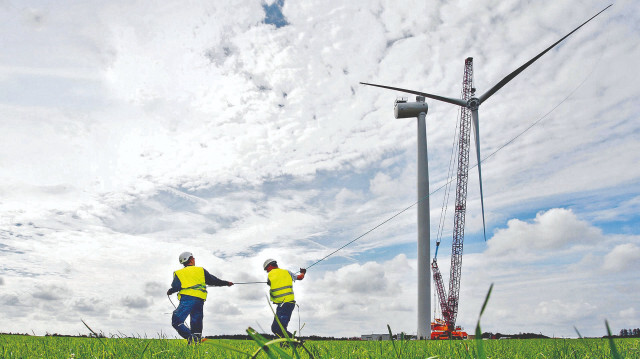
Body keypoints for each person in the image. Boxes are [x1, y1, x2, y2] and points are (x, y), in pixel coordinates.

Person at [167, 251, 233, 344]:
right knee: (196, 323)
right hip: (199, 300)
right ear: (190, 260)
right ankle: (196, 344)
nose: (194, 259)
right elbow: (214, 281)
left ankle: (191, 338)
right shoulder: (201, 270)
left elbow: (176, 286)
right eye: (193, 258)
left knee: (176, 320)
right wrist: (226, 283)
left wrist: (170, 291)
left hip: (187, 299)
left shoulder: (179, 273)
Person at [263, 258, 306, 338]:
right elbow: (300, 277)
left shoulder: (270, 275)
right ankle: (286, 346)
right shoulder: (287, 272)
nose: (267, 271)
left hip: (284, 304)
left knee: (277, 328)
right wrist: (303, 272)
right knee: (279, 328)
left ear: (270, 266)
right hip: (287, 304)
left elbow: (269, 283)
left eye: (266, 269)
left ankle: (297, 342)